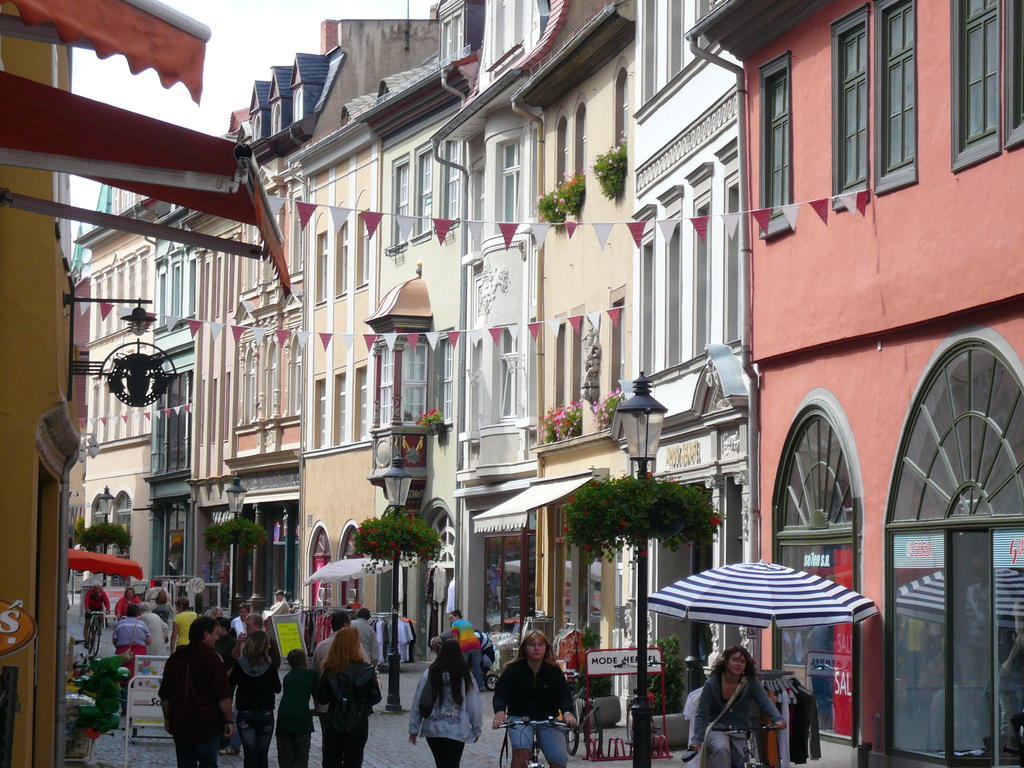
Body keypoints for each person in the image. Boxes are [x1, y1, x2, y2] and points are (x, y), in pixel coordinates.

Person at [688, 645, 786, 768]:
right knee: (722, 750)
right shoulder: (712, 683)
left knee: (741, 758)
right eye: (735, 660)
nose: (739, 664)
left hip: (740, 729)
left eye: (742, 661)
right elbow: (701, 714)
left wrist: (778, 719)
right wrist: (696, 740)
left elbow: (764, 701)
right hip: (717, 728)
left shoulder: (749, 683)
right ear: (726, 662)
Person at [492, 630, 576, 768]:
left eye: (540, 645)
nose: (536, 648)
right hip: (520, 718)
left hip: (548, 719)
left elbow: (564, 694)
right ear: (525, 648)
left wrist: (567, 712)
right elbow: (501, 693)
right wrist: (500, 712)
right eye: (532, 644)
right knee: (521, 752)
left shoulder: (554, 671)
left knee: (559, 760)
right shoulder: (513, 670)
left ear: (546, 648)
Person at [159, 616, 233, 768]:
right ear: (206, 635)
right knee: (208, 763)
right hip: (206, 723)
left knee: (185, 763)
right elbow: (222, 695)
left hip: (181, 722)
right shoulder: (212, 658)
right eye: (215, 634)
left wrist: (167, 717)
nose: (217, 638)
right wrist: (228, 720)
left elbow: (165, 695)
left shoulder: (175, 658)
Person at [409, 639, 482, 768]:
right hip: (457, 729)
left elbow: (418, 701)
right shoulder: (465, 675)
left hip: (434, 728)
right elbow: (474, 704)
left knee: (441, 763)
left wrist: (413, 729)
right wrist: (476, 728)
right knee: (453, 763)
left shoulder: (430, 672)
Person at [315, 626, 381, 768]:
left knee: (331, 760)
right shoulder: (365, 670)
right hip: (357, 720)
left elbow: (322, 697)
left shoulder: (329, 669)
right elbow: (376, 697)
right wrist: (361, 701)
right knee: (354, 761)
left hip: (334, 720)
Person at [229, 630, 281, 768]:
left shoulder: (240, 664)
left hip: (245, 711)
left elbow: (231, 681)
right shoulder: (270, 665)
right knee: (262, 754)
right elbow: (277, 688)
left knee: (249, 753)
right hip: (265, 712)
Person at [276, 649, 318, 768]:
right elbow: (318, 698)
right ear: (305, 661)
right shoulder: (311, 675)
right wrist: (316, 711)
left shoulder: (288, 677)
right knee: (301, 756)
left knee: (285, 758)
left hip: (283, 720)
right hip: (302, 720)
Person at [449, 610, 485, 692]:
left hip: (465, 646)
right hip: (476, 645)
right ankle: (480, 686)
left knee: (461, 666)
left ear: (457, 616)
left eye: (452, 618)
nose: (451, 620)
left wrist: (455, 649)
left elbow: (455, 638)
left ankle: (462, 686)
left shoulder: (455, 624)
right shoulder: (468, 623)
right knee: (477, 666)